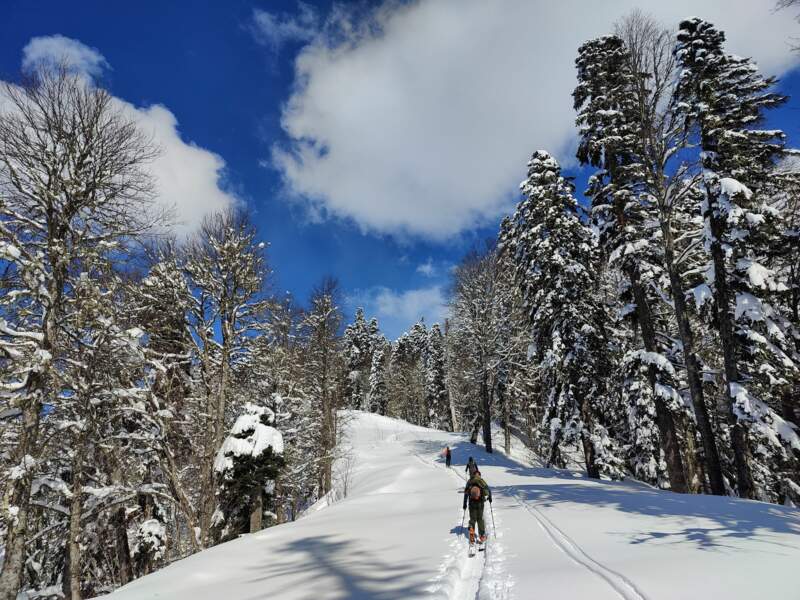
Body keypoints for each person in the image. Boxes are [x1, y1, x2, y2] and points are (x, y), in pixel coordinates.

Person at [463, 469, 492, 544]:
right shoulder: (481, 480)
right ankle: (482, 536)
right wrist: (490, 498)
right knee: (480, 519)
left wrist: (464, 503)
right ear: (479, 474)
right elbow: (488, 489)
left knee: (472, 519)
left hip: (472, 503)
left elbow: (466, 493)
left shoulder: (470, 481)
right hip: (480, 503)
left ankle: (472, 532)